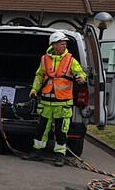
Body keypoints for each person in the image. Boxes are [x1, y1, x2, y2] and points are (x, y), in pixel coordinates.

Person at [23, 31, 86, 167]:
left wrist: (81, 78)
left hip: (63, 103)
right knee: (41, 129)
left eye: (65, 44)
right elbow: (39, 76)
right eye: (62, 44)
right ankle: (36, 152)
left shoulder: (70, 60)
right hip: (46, 102)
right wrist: (34, 89)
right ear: (54, 45)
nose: (64, 46)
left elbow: (80, 73)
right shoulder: (44, 59)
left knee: (61, 131)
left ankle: (60, 155)